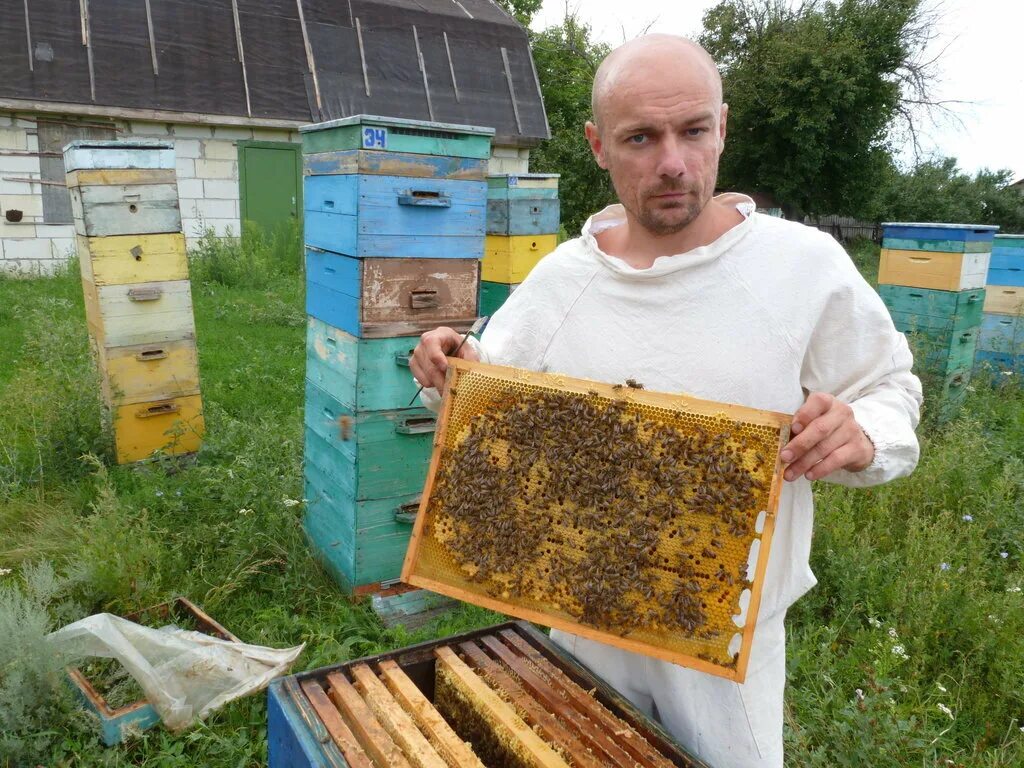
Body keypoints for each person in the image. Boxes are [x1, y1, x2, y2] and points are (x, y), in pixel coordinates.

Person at [409, 34, 921, 768]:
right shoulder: (561, 280)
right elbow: (480, 402)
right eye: (641, 138)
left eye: (694, 131)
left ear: (724, 128)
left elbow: (889, 388)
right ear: (597, 145)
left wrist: (863, 431)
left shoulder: (802, 267)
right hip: (578, 611)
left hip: (723, 639)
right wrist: (445, 366)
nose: (673, 162)